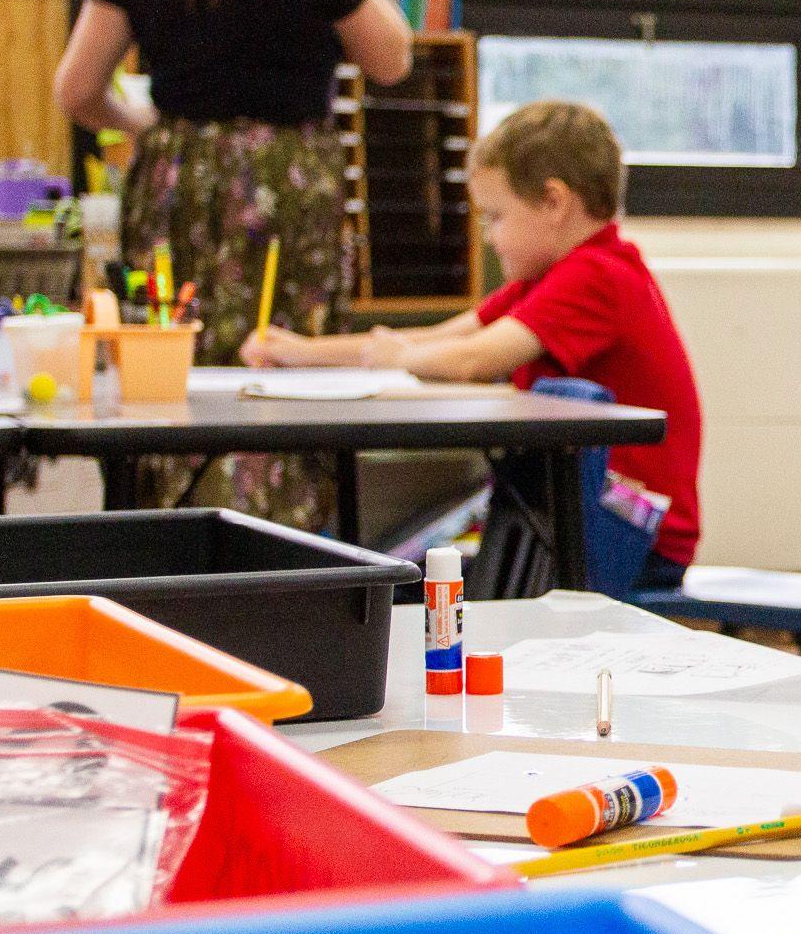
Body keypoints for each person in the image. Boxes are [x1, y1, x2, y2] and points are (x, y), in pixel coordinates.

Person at [53, 0, 412, 530]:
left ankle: (171, 537)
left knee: (169, 360)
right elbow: (393, 57)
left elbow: (76, 89)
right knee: (285, 355)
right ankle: (286, 541)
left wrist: (156, 128)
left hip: (177, 178)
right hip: (289, 181)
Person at [244, 101, 702, 588]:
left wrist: (396, 358)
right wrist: (297, 352)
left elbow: (472, 358)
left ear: (553, 203)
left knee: (392, 574)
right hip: (575, 518)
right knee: (388, 561)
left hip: (629, 536)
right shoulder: (547, 278)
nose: (489, 237)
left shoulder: (598, 276)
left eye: (497, 217)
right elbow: (439, 337)